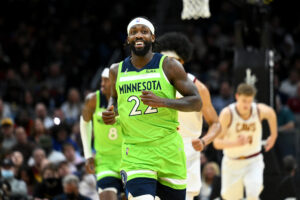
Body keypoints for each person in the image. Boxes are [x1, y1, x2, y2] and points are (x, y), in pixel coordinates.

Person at [102, 17, 202, 200]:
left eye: (144, 31)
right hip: (135, 151)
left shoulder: (169, 65)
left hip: (169, 150)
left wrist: (163, 102)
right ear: (127, 40)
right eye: (134, 32)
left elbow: (196, 101)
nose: (138, 35)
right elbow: (114, 98)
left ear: (153, 37)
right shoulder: (116, 70)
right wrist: (111, 110)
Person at [155, 32, 221, 200]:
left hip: (187, 149)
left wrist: (205, 141)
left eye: (173, 61)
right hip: (157, 147)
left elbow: (215, 123)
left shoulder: (199, 88)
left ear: (182, 62)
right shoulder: (151, 84)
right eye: (164, 60)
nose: (168, 65)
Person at [213, 83, 278, 200]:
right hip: (232, 162)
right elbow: (216, 143)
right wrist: (235, 143)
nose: (247, 104)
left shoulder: (258, 110)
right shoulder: (227, 114)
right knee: (230, 198)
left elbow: (271, 113)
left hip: (253, 160)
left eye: (249, 101)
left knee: (253, 193)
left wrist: (273, 136)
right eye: (244, 100)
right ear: (237, 96)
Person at [80, 68, 124, 200]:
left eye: (106, 81)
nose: (102, 84)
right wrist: (88, 155)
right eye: (101, 80)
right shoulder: (93, 99)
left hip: (128, 159)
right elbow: (84, 123)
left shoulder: (126, 99)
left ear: (116, 83)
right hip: (105, 160)